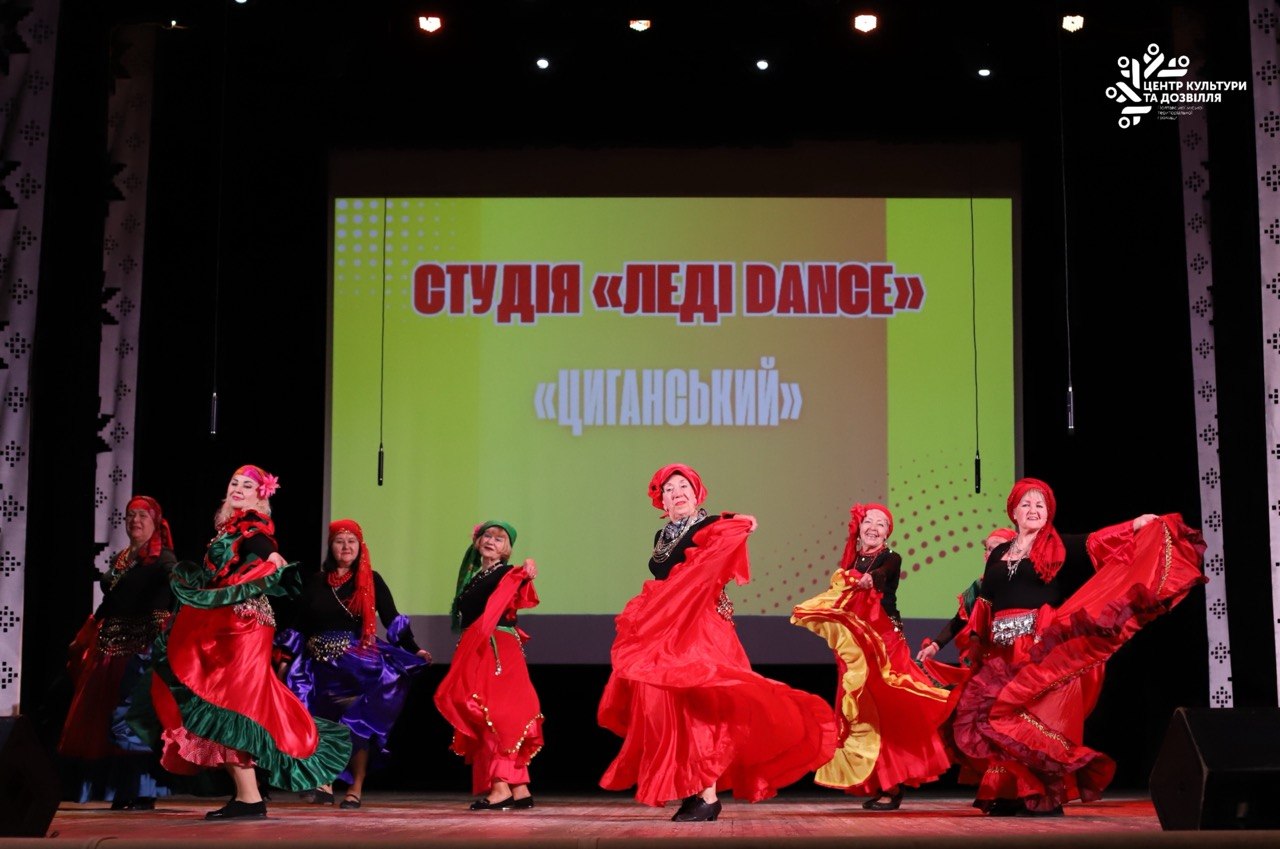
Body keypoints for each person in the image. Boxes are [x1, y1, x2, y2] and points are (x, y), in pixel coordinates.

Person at [943, 477, 1205, 816]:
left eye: (1040, 505)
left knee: (1032, 717)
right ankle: (1011, 793)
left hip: (1040, 646)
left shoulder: (1058, 545)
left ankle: (1044, 794)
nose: (1033, 510)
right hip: (1002, 649)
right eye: (1026, 504)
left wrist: (1135, 525)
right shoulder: (997, 553)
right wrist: (978, 640)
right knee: (1000, 719)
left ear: (1048, 512)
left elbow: (1097, 541)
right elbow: (986, 600)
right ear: (1014, 512)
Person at [598, 463, 837, 822]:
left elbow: (732, 530)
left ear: (697, 494)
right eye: (668, 489)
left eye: (683, 486)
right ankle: (692, 790)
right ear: (661, 500)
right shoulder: (661, 536)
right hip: (669, 631)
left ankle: (707, 796)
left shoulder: (709, 525)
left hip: (702, 629)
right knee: (671, 708)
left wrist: (742, 521)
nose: (676, 493)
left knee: (704, 705)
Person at [144, 465, 351, 820]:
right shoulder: (228, 528)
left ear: (260, 495)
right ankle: (248, 796)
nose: (238, 489)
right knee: (222, 704)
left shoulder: (252, 525)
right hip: (229, 621)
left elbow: (263, 545)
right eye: (234, 483)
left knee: (227, 704)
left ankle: (251, 797)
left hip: (244, 623)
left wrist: (271, 558)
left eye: (248, 485)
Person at [791, 502, 952, 810]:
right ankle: (880, 782)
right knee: (862, 712)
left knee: (886, 707)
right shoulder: (851, 561)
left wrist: (871, 579)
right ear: (859, 528)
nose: (874, 528)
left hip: (885, 644)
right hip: (857, 648)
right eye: (869, 522)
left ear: (887, 533)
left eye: (881, 524)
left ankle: (893, 784)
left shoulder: (891, 557)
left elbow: (883, 573)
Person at [276, 519, 431, 810]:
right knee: (319, 724)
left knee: (357, 727)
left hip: (356, 665)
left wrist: (414, 649)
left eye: (351, 542)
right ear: (330, 546)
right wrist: (285, 659)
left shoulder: (371, 580)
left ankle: (354, 788)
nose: (345, 547)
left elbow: (391, 618)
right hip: (319, 666)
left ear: (360, 547)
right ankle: (324, 782)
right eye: (339, 541)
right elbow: (300, 623)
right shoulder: (317, 581)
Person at [59, 496, 176, 810]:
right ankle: (117, 789)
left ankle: (141, 791)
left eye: (142, 516)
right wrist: (83, 637)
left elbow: (177, 583)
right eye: (130, 515)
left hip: (142, 648)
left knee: (132, 717)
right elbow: (109, 604)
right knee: (104, 719)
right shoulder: (123, 558)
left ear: (156, 522)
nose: (135, 521)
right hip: (111, 647)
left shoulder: (163, 558)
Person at [434, 520, 543, 810]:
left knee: (488, 711)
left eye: (499, 538)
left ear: (507, 549)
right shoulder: (475, 577)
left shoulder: (507, 572)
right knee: (487, 711)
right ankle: (518, 787)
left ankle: (500, 788)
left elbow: (522, 578)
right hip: (478, 646)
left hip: (496, 647)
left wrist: (528, 568)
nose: (491, 541)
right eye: (487, 535)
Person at [915, 527, 1016, 666]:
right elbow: (959, 620)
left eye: (1000, 548)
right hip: (985, 657)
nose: (993, 553)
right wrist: (934, 646)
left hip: (1014, 654)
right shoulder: (980, 585)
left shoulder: (1024, 583)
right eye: (989, 549)